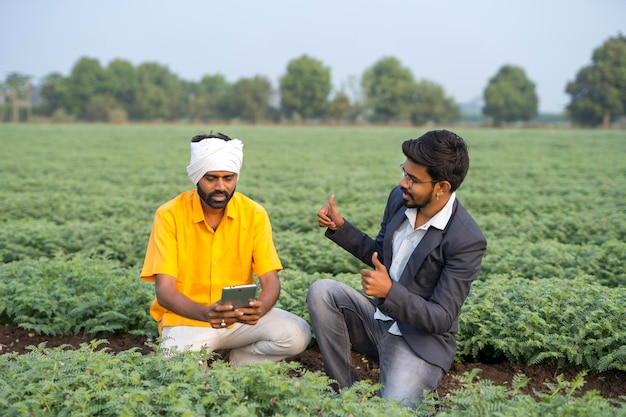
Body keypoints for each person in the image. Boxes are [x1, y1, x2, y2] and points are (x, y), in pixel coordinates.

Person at [307, 129, 487, 407]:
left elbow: (441, 318)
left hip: (418, 342)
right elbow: (380, 254)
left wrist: (390, 292)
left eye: (413, 179)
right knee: (322, 292)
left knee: (392, 410)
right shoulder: (400, 200)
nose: (403, 183)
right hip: (379, 322)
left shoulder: (465, 239)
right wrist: (341, 229)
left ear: (442, 187)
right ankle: (345, 391)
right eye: (404, 172)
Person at [140, 132, 311, 365]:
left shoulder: (254, 214)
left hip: (239, 320)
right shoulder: (169, 215)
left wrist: (259, 309)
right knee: (174, 366)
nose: (221, 186)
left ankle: (239, 364)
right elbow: (165, 291)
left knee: (297, 334)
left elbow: (270, 280)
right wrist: (205, 313)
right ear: (197, 177)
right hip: (188, 321)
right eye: (211, 178)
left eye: (228, 178)